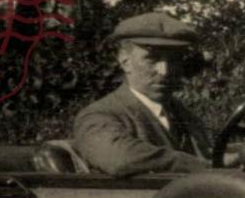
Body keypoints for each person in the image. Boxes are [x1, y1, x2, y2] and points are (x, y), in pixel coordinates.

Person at [73, 12, 212, 176]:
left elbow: (208, 153)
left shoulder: (182, 114)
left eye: (174, 59)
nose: (164, 71)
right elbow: (119, 159)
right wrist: (195, 164)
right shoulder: (98, 116)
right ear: (125, 61)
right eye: (151, 59)